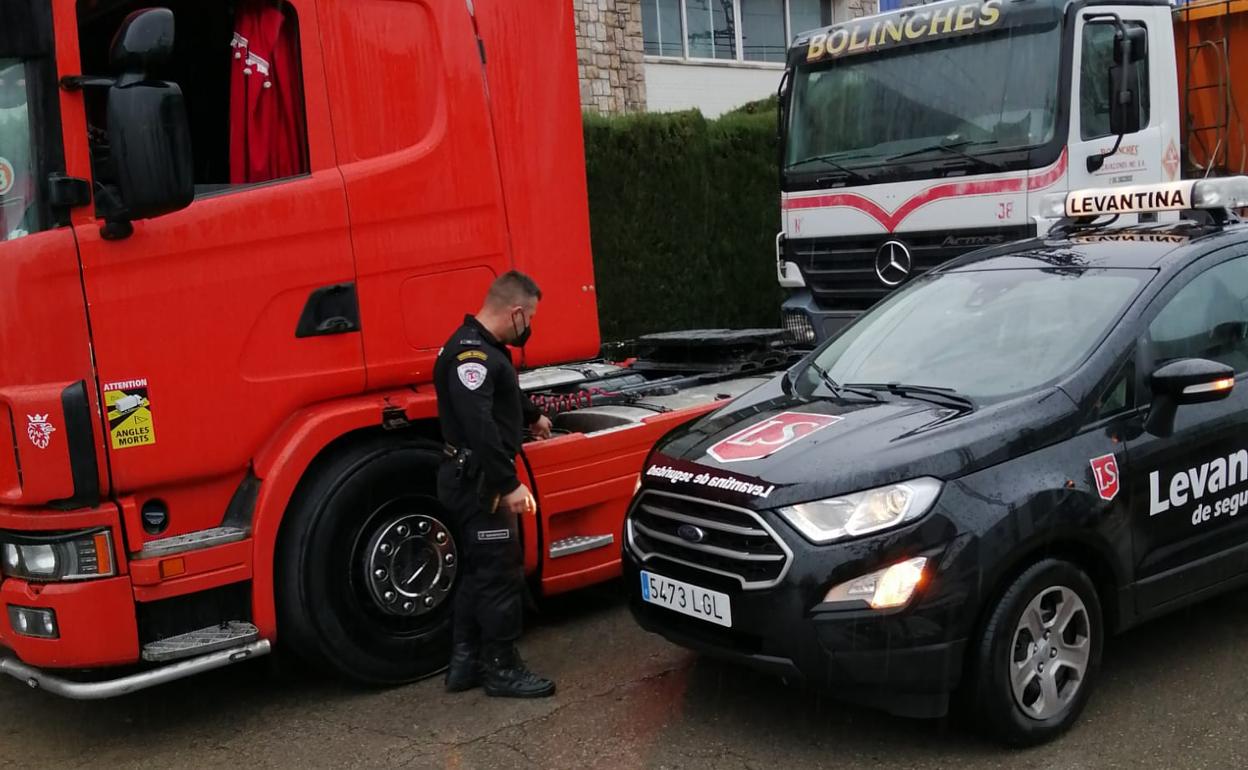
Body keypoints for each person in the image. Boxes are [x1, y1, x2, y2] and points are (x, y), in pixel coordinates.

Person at [434, 270, 556, 698]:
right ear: (517, 311)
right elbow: (478, 421)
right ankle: (502, 669)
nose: (531, 326)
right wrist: (508, 484)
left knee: (477, 572)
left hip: (470, 479)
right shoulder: (473, 357)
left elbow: (500, 393)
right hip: (482, 484)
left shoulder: (481, 347)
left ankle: (465, 664)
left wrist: (531, 415)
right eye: (532, 317)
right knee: (501, 574)